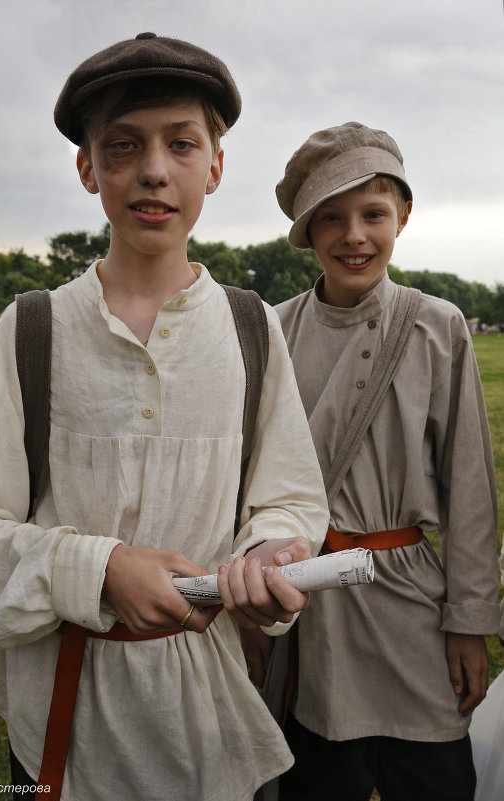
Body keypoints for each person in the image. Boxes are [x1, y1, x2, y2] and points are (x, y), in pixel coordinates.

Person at [0, 34, 329, 801]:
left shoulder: (248, 327)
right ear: (87, 168)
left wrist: (273, 550)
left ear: (215, 164)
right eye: (123, 145)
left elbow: (289, 495)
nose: (153, 169)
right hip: (60, 712)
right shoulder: (31, 326)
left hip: (204, 712)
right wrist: (99, 567)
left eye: (181, 143)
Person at [268, 121, 499, 801]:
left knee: (434, 777)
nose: (354, 235)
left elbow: (470, 490)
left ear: (403, 214)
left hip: (409, 604)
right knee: (318, 775)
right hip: (312, 605)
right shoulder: (274, 331)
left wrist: (470, 619)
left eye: (373, 213)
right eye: (331, 218)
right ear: (308, 230)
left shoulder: (437, 325)